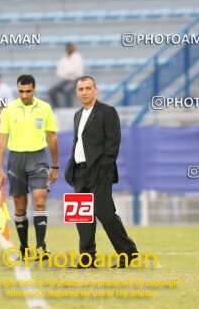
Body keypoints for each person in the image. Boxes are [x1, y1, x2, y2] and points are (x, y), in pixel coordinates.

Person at [64, 76, 138, 268]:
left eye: (88, 88)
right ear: (77, 92)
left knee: (105, 214)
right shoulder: (77, 115)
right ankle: (87, 259)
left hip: (99, 172)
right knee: (83, 217)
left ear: (96, 89)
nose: (84, 92)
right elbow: (77, 143)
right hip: (79, 173)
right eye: (81, 89)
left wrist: (103, 169)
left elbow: (113, 144)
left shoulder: (108, 112)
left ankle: (129, 254)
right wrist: (70, 168)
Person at [0, 74, 59, 258]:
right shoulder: (8, 110)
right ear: (17, 90)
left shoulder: (45, 108)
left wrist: (55, 166)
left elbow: (52, 137)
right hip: (16, 159)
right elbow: (1, 140)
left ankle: (41, 247)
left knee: (39, 201)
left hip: (38, 158)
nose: (24, 95)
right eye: (21, 91)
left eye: (28, 91)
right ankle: (24, 247)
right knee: (20, 206)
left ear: (34, 89)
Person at [49, 42, 84, 108]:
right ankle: (58, 108)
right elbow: (59, 72)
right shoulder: (63, 59)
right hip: (65, 80)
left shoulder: (78, 57)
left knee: (67, 90)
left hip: (76, 80)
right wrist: (69, 73)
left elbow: (76, 72)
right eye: (68, 47)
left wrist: (67, 73)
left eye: (71, 47)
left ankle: (68, 109)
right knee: (52, 90)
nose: (69, 49)